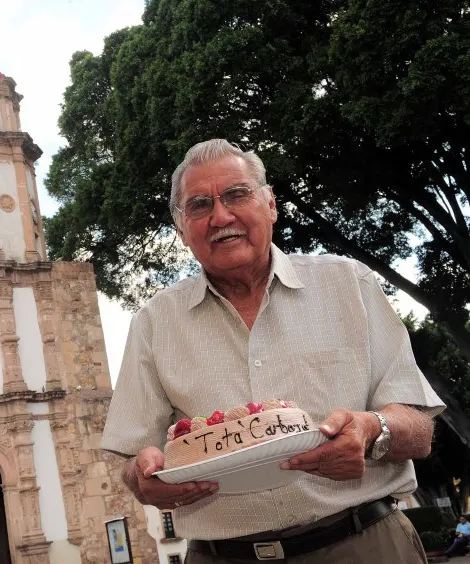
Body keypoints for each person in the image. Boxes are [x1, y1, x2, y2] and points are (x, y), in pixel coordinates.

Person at [101, 139, 445, 563]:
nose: (221, 216)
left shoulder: (347, 284)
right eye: (199, 205)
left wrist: (374, 430)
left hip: (365, 544)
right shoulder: (154, 323)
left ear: (271, 205)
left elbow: (419, 429)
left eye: (237, 194)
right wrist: (144, 477)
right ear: (181, 230)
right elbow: (136, 462)